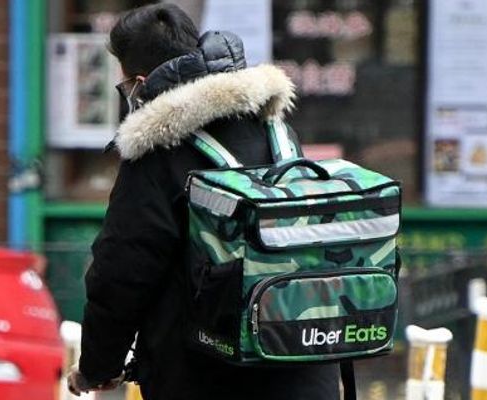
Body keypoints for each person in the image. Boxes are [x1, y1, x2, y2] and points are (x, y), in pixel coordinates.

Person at [64, 4, 340, 399]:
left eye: (124, 86)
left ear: (141, 84)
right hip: (304, 371)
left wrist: (97, 367)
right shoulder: (277, 131)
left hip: (206, 378)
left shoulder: (156, 154)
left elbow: (121, 274)